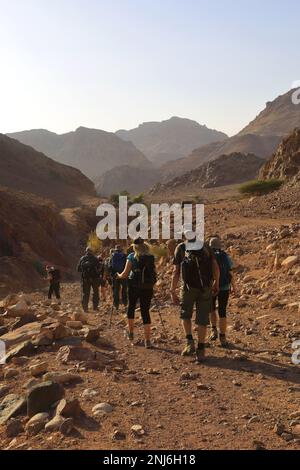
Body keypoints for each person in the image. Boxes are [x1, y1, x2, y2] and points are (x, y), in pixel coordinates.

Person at [171, 232, 220, 363]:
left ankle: (189, 342)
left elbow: (176, 272)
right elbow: (215, 266)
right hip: (205, 288)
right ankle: (201, 350)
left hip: (187, 289)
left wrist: (172, 290)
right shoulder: (205, 247)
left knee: (185, 315)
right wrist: (216, 282)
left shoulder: (181, 248)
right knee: (202, 319)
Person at [117, 238, 157, 348]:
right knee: (145, 311)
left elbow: (125, 274)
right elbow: (154, 272)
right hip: (147, 287)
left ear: (134, 247)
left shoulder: (131, 257)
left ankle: (131, 333)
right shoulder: (151, 257)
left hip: (133, 286)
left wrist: (118, 275)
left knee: (131, 307)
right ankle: (147, 341)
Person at [209, 237, 236, 347]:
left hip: (211, 287)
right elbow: (230, 273)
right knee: (222, 311)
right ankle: (223, 337)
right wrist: (234, 287)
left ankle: (213, 330)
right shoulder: (225, 256)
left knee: (211, 309)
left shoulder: (208, 256)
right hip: (224, 286)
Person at [77, 247, 101, 312]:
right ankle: (95, 307)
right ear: (92, 252)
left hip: (85, 279)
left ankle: (85, 308)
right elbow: (99, 268)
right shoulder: (95, 259)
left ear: (86, 251)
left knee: (85, 293)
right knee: (95, 293)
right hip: (94, 279)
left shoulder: (82, 258)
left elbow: (78, 269)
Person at [110, 245, 128, 312]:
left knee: (116, 290)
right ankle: (125, 304)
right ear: (121, 249)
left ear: (115, 249)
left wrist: (111, 274)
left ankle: (116, 305)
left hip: (115, 275)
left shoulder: (112, 255)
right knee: (124, 289)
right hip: (123, 275)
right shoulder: (125, 256)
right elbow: (127, 265)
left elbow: (110, 266)